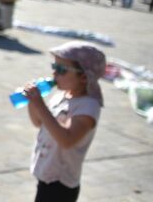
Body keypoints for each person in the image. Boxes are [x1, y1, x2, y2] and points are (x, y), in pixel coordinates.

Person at [24, 41, 106, 202]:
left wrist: (40, 105)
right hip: (47, 174)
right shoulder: (62, 95)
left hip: (61, 184)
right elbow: (39, 123)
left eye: (61, 69)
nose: (54, 73)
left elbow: (67, 140)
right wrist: (32, 102)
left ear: (84, 77)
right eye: (54, 67)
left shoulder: (88, 107)